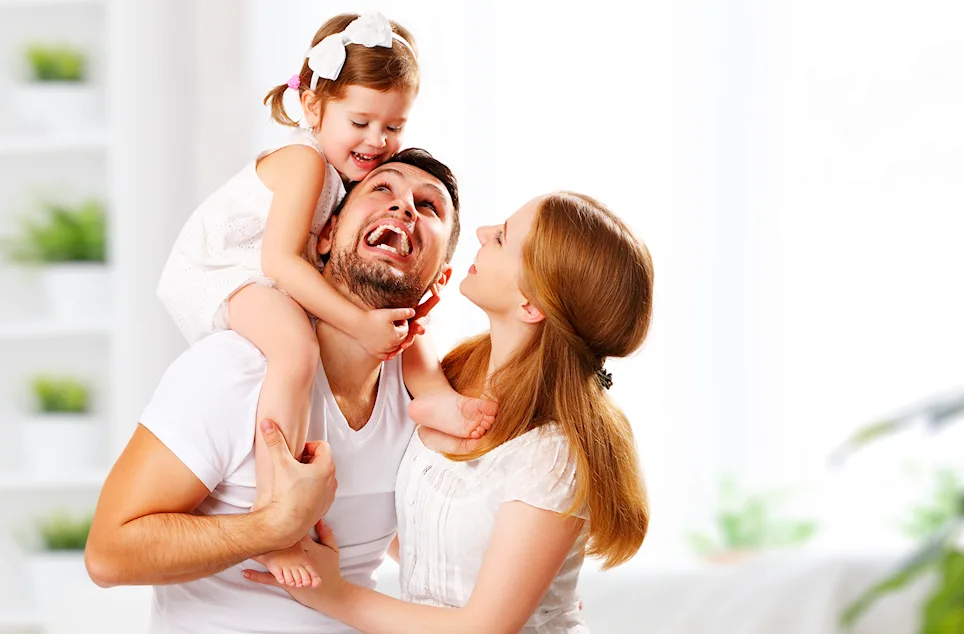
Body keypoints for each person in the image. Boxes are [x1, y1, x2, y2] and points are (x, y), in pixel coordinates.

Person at [155, 12, 493, 588]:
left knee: (396, 306)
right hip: (225, 269)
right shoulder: (306, 161)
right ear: (313, 108)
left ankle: (432, 391)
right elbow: (279, 261)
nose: (377, 143)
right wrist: (360, 324)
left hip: (281, 269)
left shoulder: (346, 177)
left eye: (393, 128)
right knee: (294, 350)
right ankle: (277, 515)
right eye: (360, 121)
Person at [85, 150, 463, 634]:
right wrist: (270, 528)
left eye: (428, 206)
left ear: (441, 280)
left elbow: (405, 538)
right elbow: (108, 555)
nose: (404, 207)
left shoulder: (423, 398)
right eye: (382, 188)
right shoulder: (233, 368)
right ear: (326, 235)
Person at [245, 192, 654, 633]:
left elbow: (483, 628)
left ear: (530, 306)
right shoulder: (451, 382)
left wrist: (333, 592)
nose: (481, 233)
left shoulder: (551, 455)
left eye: (500, 238)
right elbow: (439, 531)